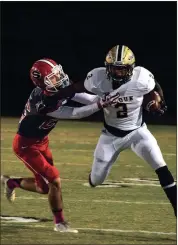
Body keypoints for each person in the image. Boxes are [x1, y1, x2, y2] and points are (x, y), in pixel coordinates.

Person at [1, 58, 117, 233]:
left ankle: (10, 182)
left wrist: (105, 99)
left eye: (58, 73)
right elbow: (74, 113)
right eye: (53, 77)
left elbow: (81, 97)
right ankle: (60, 223)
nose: (60, 78)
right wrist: (100, 105)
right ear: (42, 82)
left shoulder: (57, 87)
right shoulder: (43, 103)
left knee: (44, 187)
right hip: (26, 145)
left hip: (41, 141)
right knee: (54, 179)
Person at [82, 45, 176, 217]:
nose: (118, 73)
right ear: (107, 67)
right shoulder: (97, 78)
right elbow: (77, 89)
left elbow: (155, 86)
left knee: (161, 167)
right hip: (110, 137)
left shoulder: (141, 78)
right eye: (115, 69)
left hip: (137, 133)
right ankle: (93, 177)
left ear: (131, 68)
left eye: (122, 69)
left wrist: (160, 101)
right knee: (96, 180)